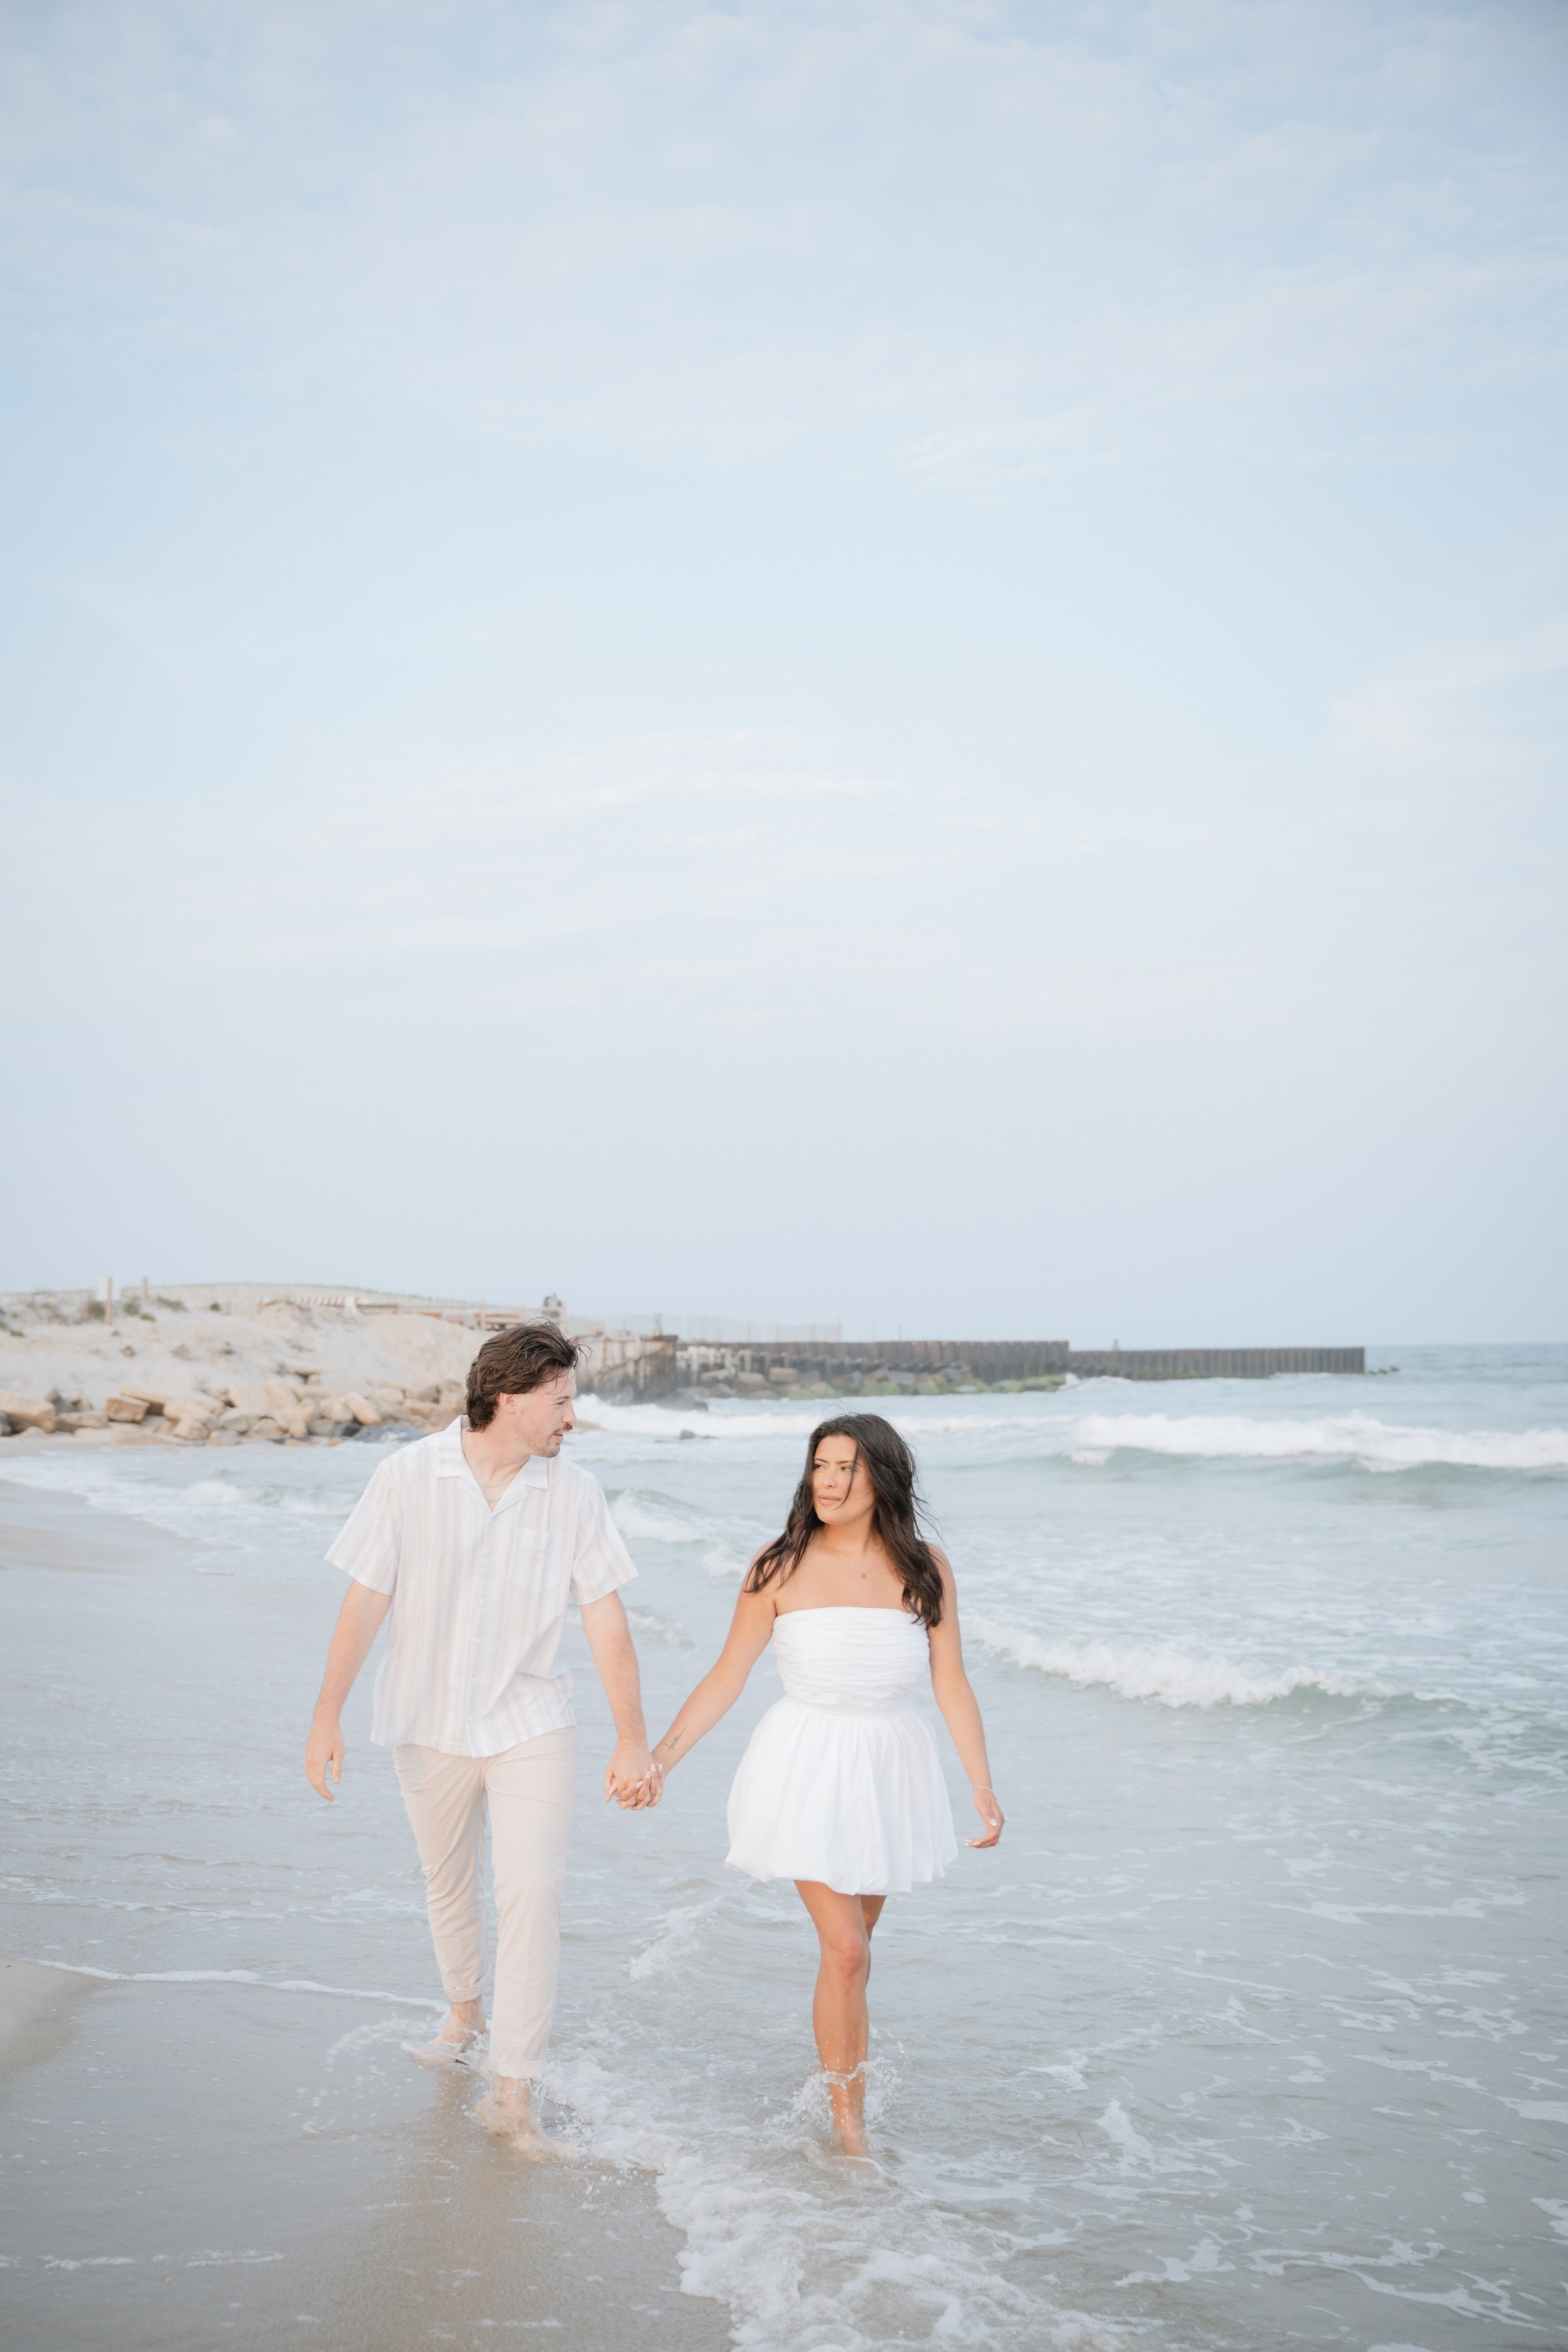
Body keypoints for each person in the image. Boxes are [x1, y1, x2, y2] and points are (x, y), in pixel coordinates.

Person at [303, 1322, 659, 2153]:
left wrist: (630, 1739)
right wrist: (326, 1716)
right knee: (447, 1880)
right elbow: (364, 1603)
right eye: (561, 1401)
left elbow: (605, 1617)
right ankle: (464, 2009)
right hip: (425, 1719)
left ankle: (513, 2087)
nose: (572, 1418)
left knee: (531, 1891)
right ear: (510, 1399)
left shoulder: (573, 1492)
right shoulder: (406, 1476)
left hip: (530, 1719)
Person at [645, 1413, 1003, 2155]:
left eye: (847, 1467)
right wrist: (660, 1758)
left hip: (888, 1767)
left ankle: (840, 2075)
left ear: (882, 1475)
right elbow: (725, 1677)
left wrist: (982, 1784)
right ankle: (850, 2128)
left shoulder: (926, 1566)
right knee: (845, 1949)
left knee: (857, 1947)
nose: (830, 1482)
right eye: (820, 1466)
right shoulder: (777, 1565)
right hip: (804, 1762)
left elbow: (952, 1683)